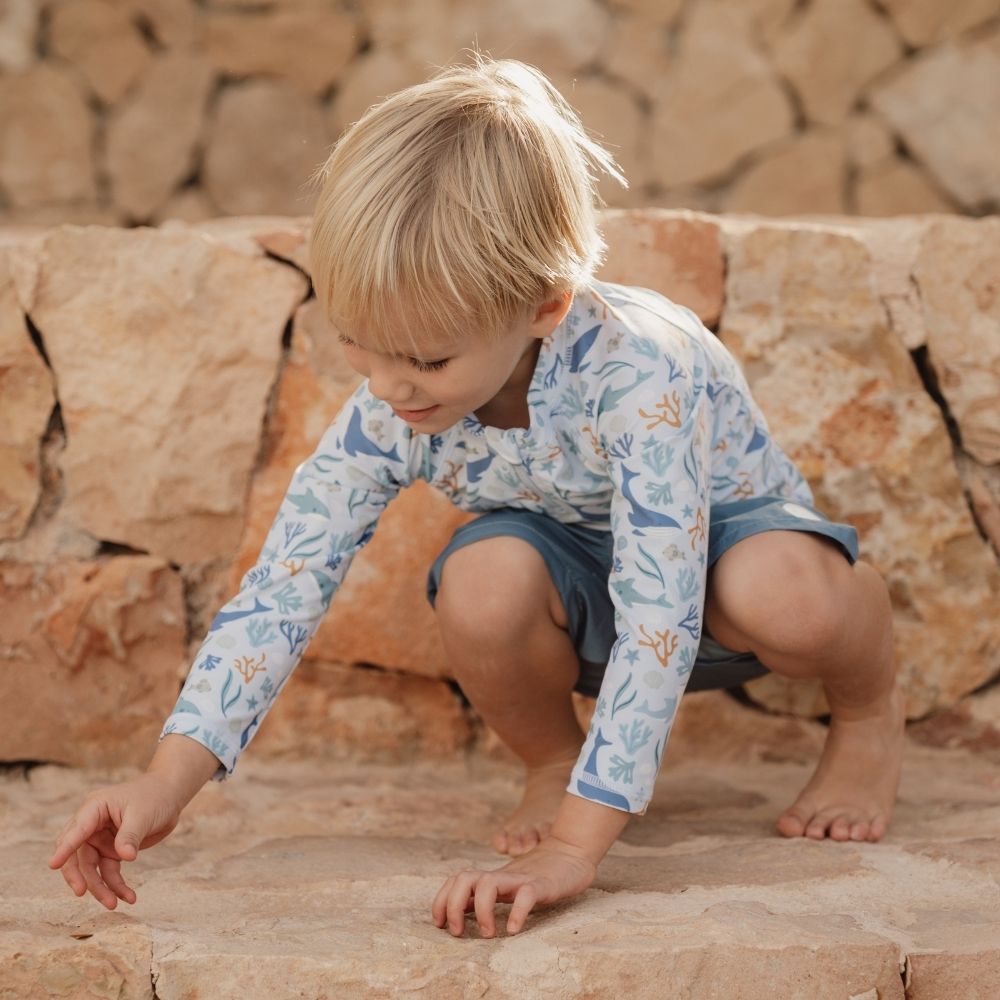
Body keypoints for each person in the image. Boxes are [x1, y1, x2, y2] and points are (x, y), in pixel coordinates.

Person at [48, 53, 905, 940]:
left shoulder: (639, 369)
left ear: (544, 305)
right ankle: (552, 761)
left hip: (721, 568)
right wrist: (166, 780)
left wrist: (574, 848)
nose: (388, 387)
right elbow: (282, 590)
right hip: (585, 587)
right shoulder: (392, 403)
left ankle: (869, 712)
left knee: (781, 593)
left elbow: (661, 611)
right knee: (483, 578)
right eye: (358, 343)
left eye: (427, 359)